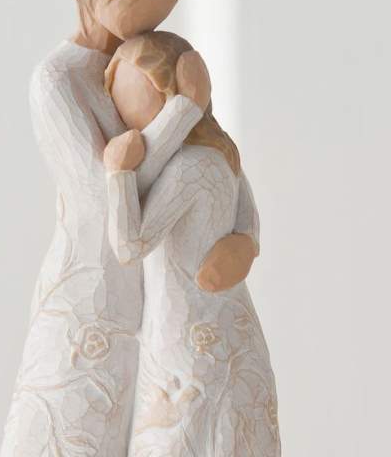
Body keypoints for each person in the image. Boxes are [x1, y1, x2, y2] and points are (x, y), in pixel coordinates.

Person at [0, 0, 259, 456]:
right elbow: (108, 197)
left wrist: (246, 233)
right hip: (90, 299)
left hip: (162, 305)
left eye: (162, 11)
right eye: (142, 7)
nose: (151, 25)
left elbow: (212, 151)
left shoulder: (143, 57)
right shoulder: (56, 81)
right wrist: (181, 110)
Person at [103, 31, 280, 456]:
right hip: (228, 323)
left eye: (132, 98)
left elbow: (130, 245)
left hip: (186, 337)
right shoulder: (222, 155)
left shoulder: (187, 169)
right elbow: (249, 217)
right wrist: (246, 243)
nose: (123, 116)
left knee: (184, 434)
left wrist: (119, 174)